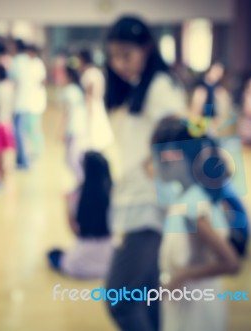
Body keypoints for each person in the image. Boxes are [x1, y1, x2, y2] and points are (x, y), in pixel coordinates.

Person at [103, 16, 186, 331]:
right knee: (147, 296)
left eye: (126, 54)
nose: (119, 63)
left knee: (120, 299)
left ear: (147, 48)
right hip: (136, 198)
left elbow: (181, 136)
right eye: (113, 56)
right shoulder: (141, 86)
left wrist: (153, 166)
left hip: (148, 203)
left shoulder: (160, 86)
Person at [150, 116, 240, 331]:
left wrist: (181, 276)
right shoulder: (186, 198)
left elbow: (231, 263)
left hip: (195, 308)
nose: (155, 165)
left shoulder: (192, 207)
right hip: (189, 300)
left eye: (159, 156)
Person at [47, 151, 113, 279]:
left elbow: (74, 230)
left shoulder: (77, 197)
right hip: (109, 260)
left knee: (53, 254)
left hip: (79, 263)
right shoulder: (115, 194)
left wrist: (66, 205)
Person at [78, 49, 113, 151]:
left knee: (92, 128)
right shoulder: (97, 72)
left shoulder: (89, 73)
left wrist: (89, 108)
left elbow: (91, 93)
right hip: (98, 103)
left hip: (91, 104)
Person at [60, 65, 89, 182]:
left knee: (71, 159)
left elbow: (66, 113)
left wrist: (61, 130)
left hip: (73, 128)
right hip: (80, 126)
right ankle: (81, 184)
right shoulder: (78, 90)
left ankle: (82, 183)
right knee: (75, 157)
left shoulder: (69, 91)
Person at [190, 62, 233, 135]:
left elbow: (224, 110)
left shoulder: (219, 89)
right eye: (216, 71)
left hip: (214, 122)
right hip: (201, 121)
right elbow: (195, 111)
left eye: (220, 73)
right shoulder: (200, 87)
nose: (218, 74)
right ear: (209, 70)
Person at [10, 39, 34, 169]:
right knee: (22, 131)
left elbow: (16, 83)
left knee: (18, 131)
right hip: (26, 100)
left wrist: (12, 103)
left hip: (19, 101)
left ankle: (23, 160)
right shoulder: (27, 61)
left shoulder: (17, 62)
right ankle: (22, 158)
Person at [26, 45, 47, 160]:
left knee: (35, 127)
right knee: (30, 127)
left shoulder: (38, 64)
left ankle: (37, 150)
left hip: (35, 102)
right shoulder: (30, 64)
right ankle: (33, 149)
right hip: (30, 101)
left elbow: (42, 80)